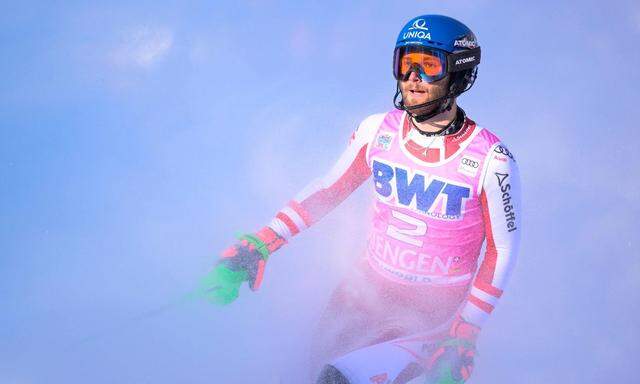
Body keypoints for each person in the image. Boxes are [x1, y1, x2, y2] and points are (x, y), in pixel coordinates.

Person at [201, 14, 521, 384]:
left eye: (429, 65)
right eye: (406, 62)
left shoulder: (491, 159)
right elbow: (328, 191)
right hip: (362, 294)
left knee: (335, 379)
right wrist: (260, 245)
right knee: (315, 373)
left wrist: (465, 333)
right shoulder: (377, 130)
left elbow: (502, 251)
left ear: (458, 74)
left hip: (431, 316)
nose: (413, 77)